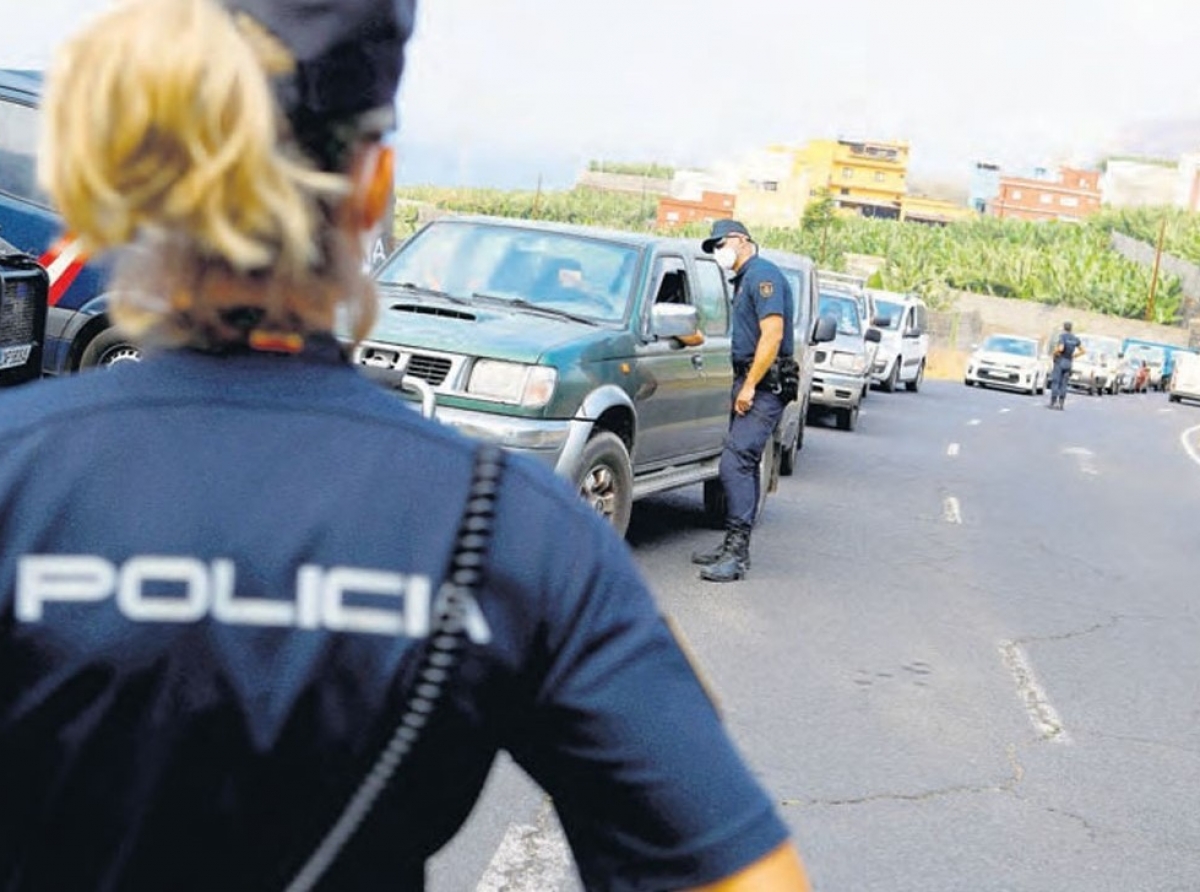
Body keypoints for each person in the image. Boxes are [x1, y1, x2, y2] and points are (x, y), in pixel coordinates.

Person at [0, 0, 813, 889]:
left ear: (125, 176)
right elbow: (750, 876)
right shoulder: (513, 529)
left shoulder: (19, 472)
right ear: (373, 189)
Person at [691, 220, 794, 583]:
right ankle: (733, 547)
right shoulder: (746, 278)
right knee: (742, 463)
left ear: (741, 240)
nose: (720, 251)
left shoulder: (762, 275)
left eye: (721, 243)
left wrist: (750, 385)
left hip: (765, 385)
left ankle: (736, 553)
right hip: (751, 381)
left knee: (734, 464)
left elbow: (773, 333)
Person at [1049, 320, 1085, 409]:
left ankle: (1053, 402)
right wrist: (1074, 356)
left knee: (1056, 382)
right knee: (1064, 383)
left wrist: (1054, 352)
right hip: (1068, 362)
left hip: (1060, 361)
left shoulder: (1063, 337)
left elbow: (1061, 348)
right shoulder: (1075, 338)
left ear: (1064, 327)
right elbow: (1083, 351)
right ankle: (1061, 403)